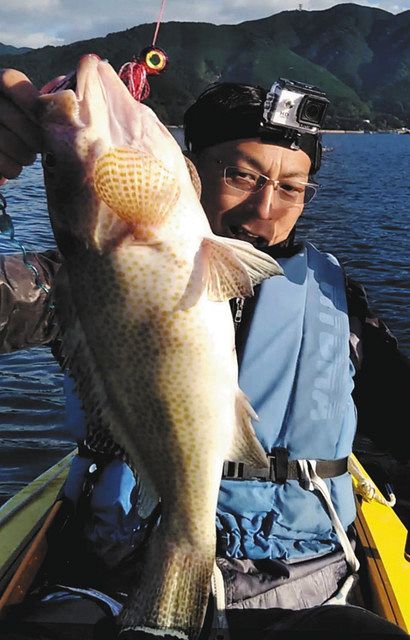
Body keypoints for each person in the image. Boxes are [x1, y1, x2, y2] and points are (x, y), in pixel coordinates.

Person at [0, 67, 408, 639]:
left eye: (291, 187)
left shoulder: (342, 307)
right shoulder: (85, 274)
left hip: (302, 580)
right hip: (115, 571)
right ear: (190, 169)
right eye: (241, 175)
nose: (265, 208)